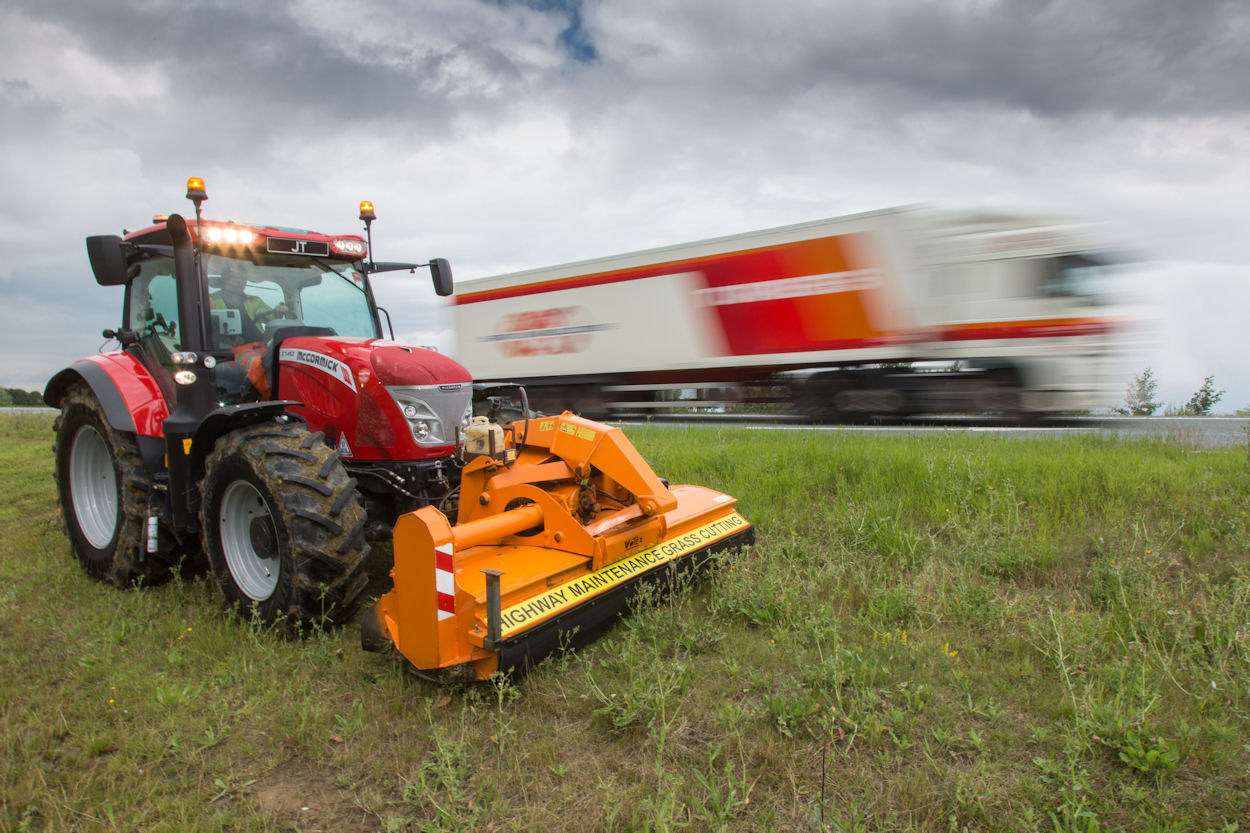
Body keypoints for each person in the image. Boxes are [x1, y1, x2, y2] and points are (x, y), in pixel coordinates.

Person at [209, 261, 287, 399]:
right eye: (235, 277)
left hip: (261, 346)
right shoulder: (211, 301)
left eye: (242, 278)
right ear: (224, 278)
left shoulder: (254, 301)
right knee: (258, 364)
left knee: (283, 363)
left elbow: (271, 316)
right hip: (232, 350)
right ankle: (272, 398)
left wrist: (278, 312)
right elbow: (206, 329)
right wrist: (226, 339)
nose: (239, 281)